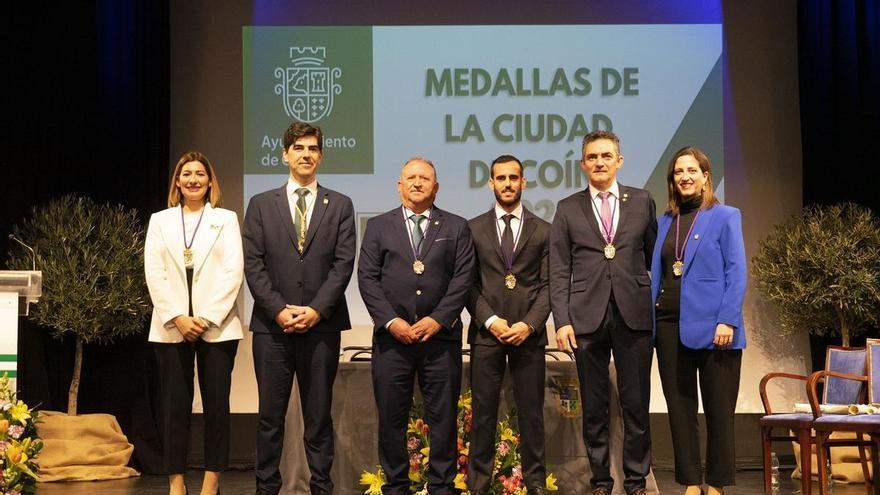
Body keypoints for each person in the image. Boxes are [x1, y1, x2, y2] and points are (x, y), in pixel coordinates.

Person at [242, 122, 356, 495]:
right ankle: (266, 489)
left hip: (321, 327)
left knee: (318, 418)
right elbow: (253, 264)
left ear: (321, 156)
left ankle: (322, 488)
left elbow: (343, 264)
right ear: (285, 154)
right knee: (270, 419)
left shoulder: (339, 204)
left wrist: (316, 310)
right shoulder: (260, 204)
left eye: (312, 149)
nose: (306, 154)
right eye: (298, 148)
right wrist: (278, 310)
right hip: (271, 328)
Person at [358, 157, 474, 495]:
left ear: (436, 187)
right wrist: (391, 321)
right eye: (411, 177)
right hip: (392, 341)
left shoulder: (456, 227)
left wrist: (438, 320)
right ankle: (396, 486)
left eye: (425, 178)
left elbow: (463, 278)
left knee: (442, 420)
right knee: (392, 420)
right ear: (399, 185)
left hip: (441, 340)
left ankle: (441, 486)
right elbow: (367, 278)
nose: (418, 183)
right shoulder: (379, 226)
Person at [550, 130, 657, 495]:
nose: (599, 162)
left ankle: (636, 479)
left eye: (606, 156)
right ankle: (600, 480)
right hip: (586, 317)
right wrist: (561, 320)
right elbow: (559, 269)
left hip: (634, 314)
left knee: (636, 403)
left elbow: (652, 255)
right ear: (582, 164)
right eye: (592, 157)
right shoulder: (567, 207)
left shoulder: (642, 201)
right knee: (594, 406)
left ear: (619, 161)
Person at [145, 151, 243, 495]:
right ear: (177, 181)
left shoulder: (226, 219)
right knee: (174, 408)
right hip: (172, 326)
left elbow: (233, 271)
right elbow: (154, 272)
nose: (193, 179)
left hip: (216, 327)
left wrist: (205, 318)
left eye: (200, 173)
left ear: (210, 181)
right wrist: (177, 317)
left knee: (217, 406)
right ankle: (176, 482)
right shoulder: (160, 221)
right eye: (186, 174)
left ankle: (211, 480)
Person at [651, 147, 746, 495]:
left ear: (706, 175)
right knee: (680, 408)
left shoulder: (725, 216)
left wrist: (727, 320)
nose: (685, 176)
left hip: (715, 328)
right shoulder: (664, 221)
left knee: (719, 410)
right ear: (672, 180)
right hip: (668, 325)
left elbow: (737, 272)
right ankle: (691, 482)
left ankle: (717, 484)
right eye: (678, 172)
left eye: (692, 170)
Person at [465, 155, 550, 495]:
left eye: (514, 177)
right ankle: (478, 485)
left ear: (524, 182)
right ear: (490, 183)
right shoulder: (472, 229)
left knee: (531, 415)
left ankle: (536, 484)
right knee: (483, 416)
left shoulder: (544, 230)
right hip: (487, 335)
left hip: (529, 337)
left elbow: (549, 287)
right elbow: (467, 286)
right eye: (501, 178)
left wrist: (529, 325)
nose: (508, 184)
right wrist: (491, 320)